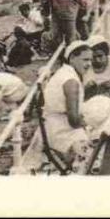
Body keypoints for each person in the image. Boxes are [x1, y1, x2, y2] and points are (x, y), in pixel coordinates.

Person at [42, 40, 94, 173]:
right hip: (62, 131)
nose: (89, 64)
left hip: (51, 125)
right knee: (93, 161)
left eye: (90, 60)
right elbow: (74, 120)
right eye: (85, 59)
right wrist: (87, 125)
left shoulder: (62, 73)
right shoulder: (71, 81)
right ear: (72, 58)